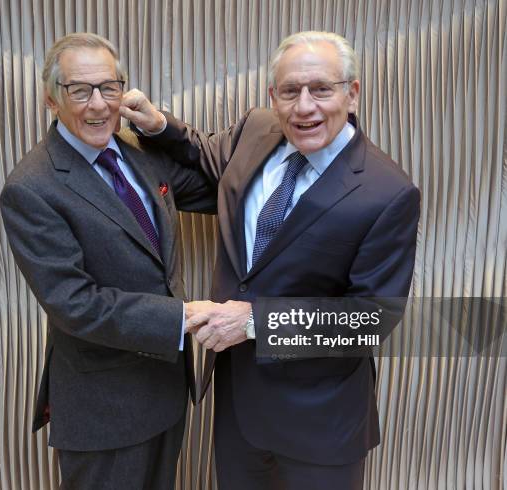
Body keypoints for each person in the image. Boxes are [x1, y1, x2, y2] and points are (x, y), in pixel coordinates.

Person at [121, 31, 420, 490]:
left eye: (321, 89)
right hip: (237, 406)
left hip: (320, 420)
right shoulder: (257, 130)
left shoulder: (388, 192)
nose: (304, 107)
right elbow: (204, 152)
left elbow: (371, 317)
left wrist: (254, 322)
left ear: (352, 94)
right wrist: (158, 123)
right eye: (290, 91)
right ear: (272, 97)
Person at [0, 33, 216, 490]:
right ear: (51, 99)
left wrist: (161, 125)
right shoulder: (32, 187)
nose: (99, 105)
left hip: (165, 393)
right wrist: (183, 316)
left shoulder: (139, 153)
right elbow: (74, 303)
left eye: (109, 88)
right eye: (80, 90)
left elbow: (219, 190)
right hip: (104, 411)